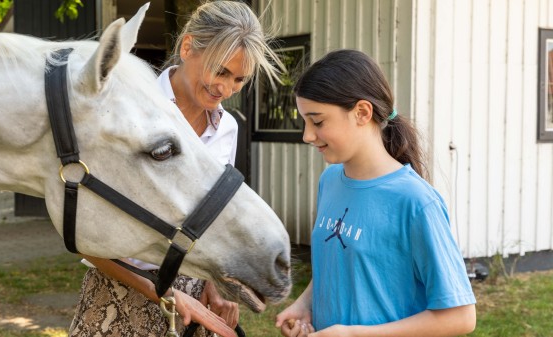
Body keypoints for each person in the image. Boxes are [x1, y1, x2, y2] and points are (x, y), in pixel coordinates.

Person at [68, 1, 284, 336]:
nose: (226, 89)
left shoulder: (227, 127)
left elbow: (208, 222)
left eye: (240, 79)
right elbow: (85, 238)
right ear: (187, 48)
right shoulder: (128, 113)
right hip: (119, 295)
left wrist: (214, 285)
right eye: (221, 71)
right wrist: (166, 293)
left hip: (193, 300)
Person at [275, 49, 476, 337]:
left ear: (362, 113)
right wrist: (305, 304)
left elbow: (461, 317)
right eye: (304, 122)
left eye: (318, 122)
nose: (307, 135)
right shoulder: (330, 180)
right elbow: (338, 263)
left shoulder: (417, 202)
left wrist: (353, 334)